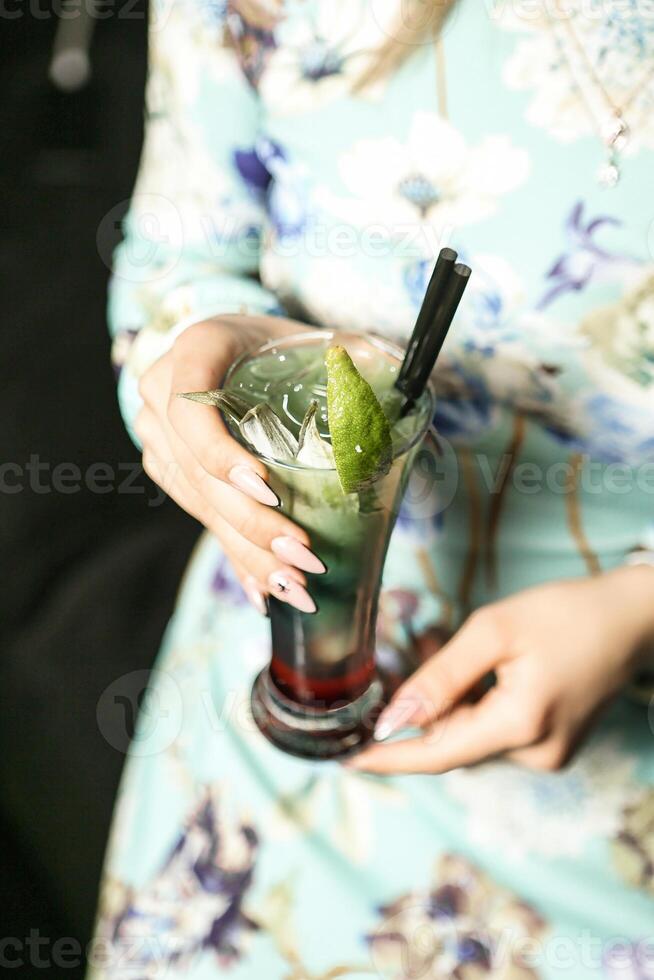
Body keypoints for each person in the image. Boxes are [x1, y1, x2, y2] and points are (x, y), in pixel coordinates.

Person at [90, 1, 654, 977]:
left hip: (610, 833)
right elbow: (176, 263)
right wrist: (208, 361)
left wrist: (642, 611)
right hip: (258, 773)